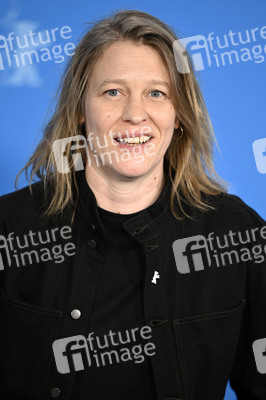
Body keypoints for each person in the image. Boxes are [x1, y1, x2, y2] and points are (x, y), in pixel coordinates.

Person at [0, 9, 265, 400]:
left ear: (179, 116)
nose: (135, 114)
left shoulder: (236, 235)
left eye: (156, 93)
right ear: (79, 110)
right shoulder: (9, 227)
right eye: (113, 92)